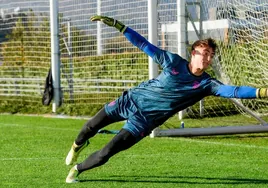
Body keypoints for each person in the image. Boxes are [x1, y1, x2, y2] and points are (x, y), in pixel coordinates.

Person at [65, 15, 268, 183]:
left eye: (211, 55)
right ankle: (77, 146)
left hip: (144, 122)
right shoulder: (172, 62)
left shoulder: (208, 84)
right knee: (89, 127)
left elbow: (234, 90)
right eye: (204, 53)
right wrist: (121, 26)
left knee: (106, 152)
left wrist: (261, 92)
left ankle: (77, 169)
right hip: (129, 101)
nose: (207, 58)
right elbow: (145, 45)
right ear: (193, 53)